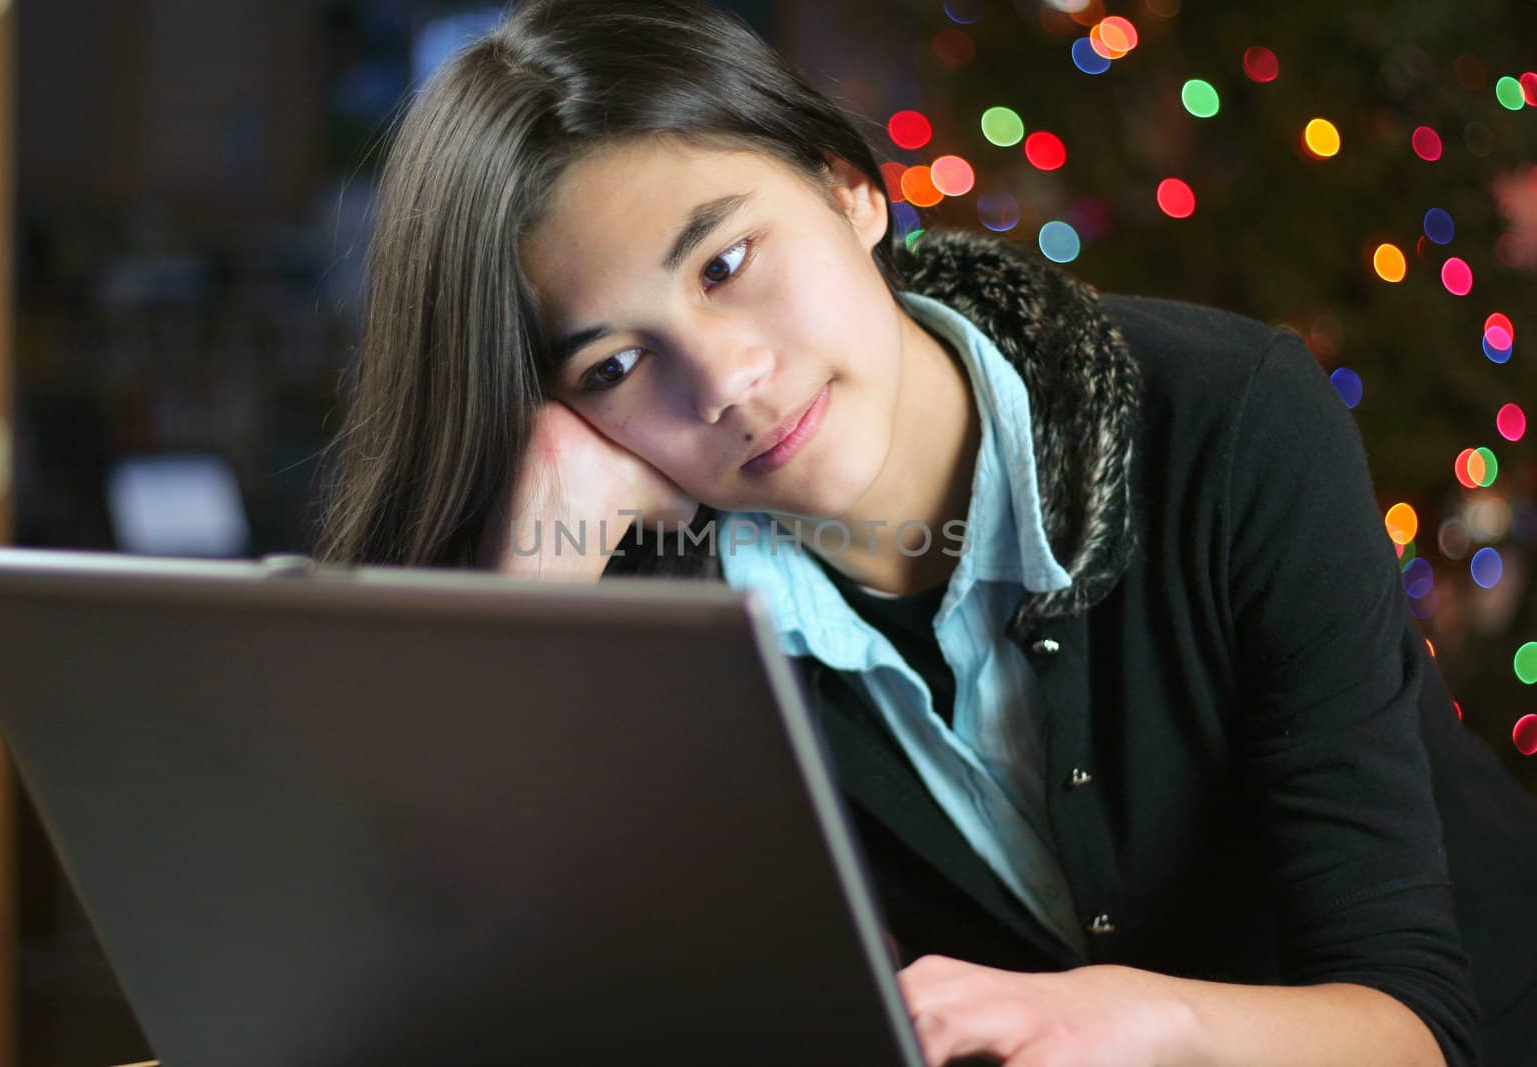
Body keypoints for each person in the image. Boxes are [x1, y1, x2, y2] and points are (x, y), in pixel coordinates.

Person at [309, 1, 1537, 1063]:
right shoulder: (656, 592)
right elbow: (421, 976)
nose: (726, 379)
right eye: (618, 360)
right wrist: (537, 560)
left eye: (728, 261)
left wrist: (1138, 1020)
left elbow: (1416, 1020)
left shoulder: (1229, 417)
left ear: (850, 190)